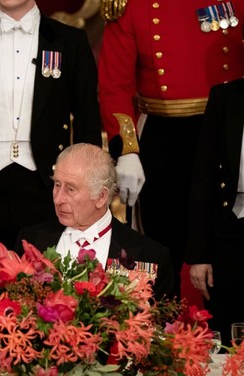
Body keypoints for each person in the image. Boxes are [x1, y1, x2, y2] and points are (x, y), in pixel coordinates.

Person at [98, 0, 244, 298]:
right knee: (157, 250)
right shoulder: (132, 6)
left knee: (226, 245)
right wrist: (127, 150)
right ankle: (154, 335)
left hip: (228, 133)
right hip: (163, 138)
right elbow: (114, 86)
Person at [0, 0, 103, 262]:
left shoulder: (69, 42)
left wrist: (87, 213)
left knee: (48, 294)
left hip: (47, 192)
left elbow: (88, 132)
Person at [17, 143, 175, 300]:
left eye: (70, 189)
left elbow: (161, 322)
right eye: (57, 185)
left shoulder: (151, 256)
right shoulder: (31, 240)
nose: (58, 199)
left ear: (101, 197)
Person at [186, 79, 244, 346]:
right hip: (229, 229)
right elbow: (203, 176)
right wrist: (199, 255)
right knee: (227, 331)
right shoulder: (225, 96)